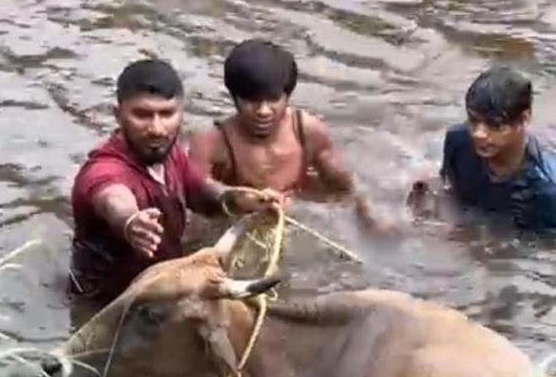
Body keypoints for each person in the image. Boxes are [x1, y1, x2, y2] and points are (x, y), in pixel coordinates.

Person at [69, 57, 284, 307]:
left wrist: (240, 199)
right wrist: (130, 223)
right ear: (118, 115)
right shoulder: (103, 171)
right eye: (142, 115)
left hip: (166, 289)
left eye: (167, 114)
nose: (157, 129)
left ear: (180, 113)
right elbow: (111, 199)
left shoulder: (168, 152)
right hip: (112, 308)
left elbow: (201, 192)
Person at [187, 38, 391, 233]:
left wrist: (369, 219)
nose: (263, 111)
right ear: (235, 98)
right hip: (234, 222)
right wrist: (238, 200)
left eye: (273, 99)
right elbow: (192, 196)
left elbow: (345, 189)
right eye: (252, 101)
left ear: (287, 96)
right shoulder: (211, 143)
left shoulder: (308, 132)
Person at [408, 64, 556, 232]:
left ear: (524, 118)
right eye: (473, 120)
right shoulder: (458, 141)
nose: (478, 134)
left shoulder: (546, 190)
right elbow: (447, 190)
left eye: (495, 124)